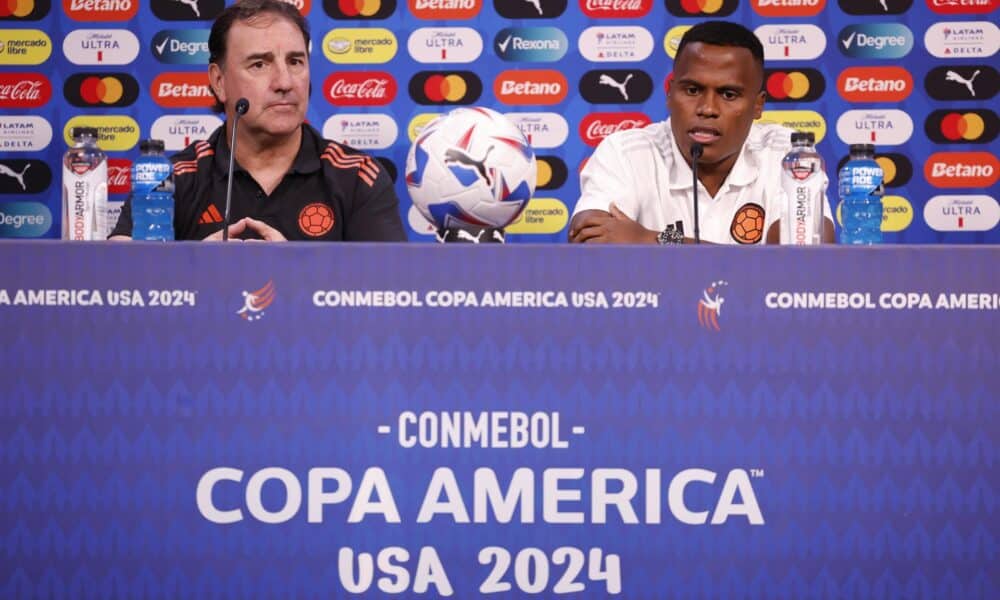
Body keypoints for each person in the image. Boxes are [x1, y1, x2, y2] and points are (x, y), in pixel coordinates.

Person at [110, 0, 406, 241]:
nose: (285, 82)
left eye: (295, 61)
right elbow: (117, 284)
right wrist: (194, 269)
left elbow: (391, 296)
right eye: (259, 64)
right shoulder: (172, 179)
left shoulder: (356, 176)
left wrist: (296, 275)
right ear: (219, 81)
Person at [569, 21, 835, 245]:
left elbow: (805, 263)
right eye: (692, 90)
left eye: (729, 94)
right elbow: (589, 239)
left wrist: (653, 239)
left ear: (757, 105)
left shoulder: (787, 155)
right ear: (670, 93)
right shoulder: (626, 151)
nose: (707, 109)